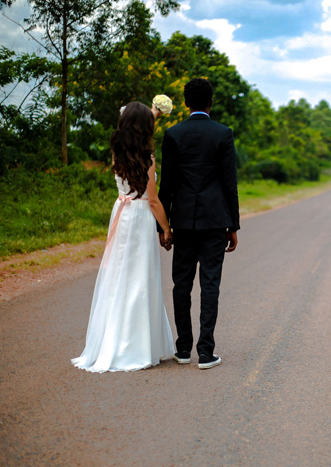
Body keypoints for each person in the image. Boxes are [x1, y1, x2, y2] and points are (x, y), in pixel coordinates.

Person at [72, 102, 175, 373]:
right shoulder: (148, 158)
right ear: (146, 127)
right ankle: (135, 345)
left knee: (120, 275)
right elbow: (153, 200)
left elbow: (133, 123)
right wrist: (166, 228)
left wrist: (153, 111)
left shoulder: (118, 151)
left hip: (122, 211)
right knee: (140, 277)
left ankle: (112, 340)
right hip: (140, 216)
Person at [158, 78, 240, 370]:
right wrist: (233, 225)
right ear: (211, 102)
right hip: (216, 221)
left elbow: (165, 185)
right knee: (210, 284)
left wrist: (163, 227)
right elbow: (230, 183)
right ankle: (206, 352)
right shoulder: (223, 134)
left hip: (182, 222)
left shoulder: (173, 134)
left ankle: (182, 350)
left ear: (185, 102)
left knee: (181, 285)